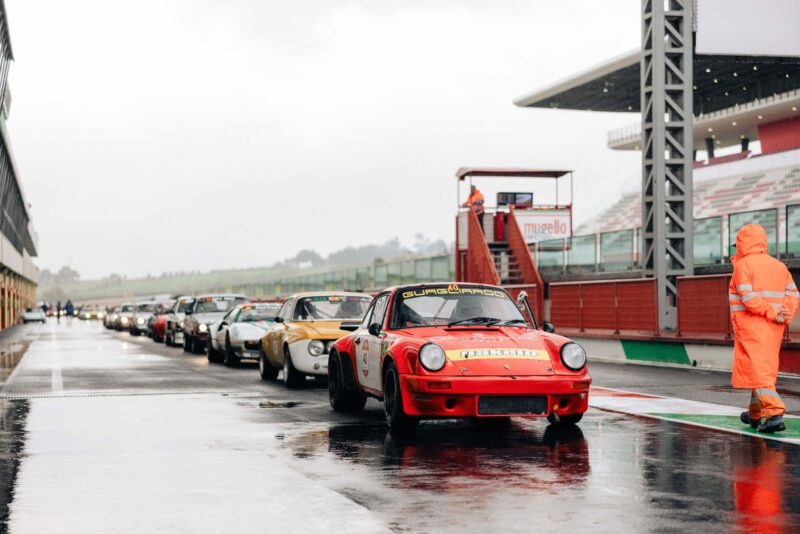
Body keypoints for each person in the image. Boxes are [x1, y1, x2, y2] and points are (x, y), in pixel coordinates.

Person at [728, 224, 799, 433]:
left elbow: (748, 297)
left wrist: (769, 311)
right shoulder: (779, 266)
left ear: (742, 244)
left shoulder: (743, 266)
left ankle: (774, 412)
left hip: (752, 326)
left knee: (759, 370)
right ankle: (755, 413)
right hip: (773, 327)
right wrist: (783, 314)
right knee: (761, 367)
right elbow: (794, 294)